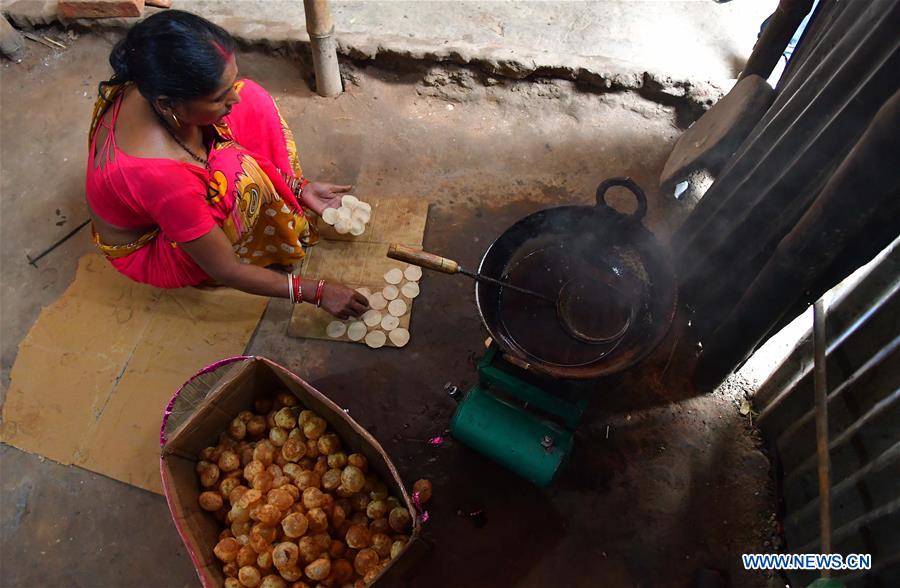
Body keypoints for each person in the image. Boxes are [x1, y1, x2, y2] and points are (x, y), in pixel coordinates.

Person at [85, 10, 368, 319]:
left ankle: (281, 200)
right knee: (238, 177)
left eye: (230, 83)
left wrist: (297, 188)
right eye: (219, 97)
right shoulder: (165, 179)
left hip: (169, 194)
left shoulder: (149, 80)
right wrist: (316, 291)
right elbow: (227, 270)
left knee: (252, 99)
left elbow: (223, 116)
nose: (233, 97)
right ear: (168, 103)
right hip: (154, 247)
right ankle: (265, 244)